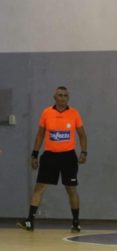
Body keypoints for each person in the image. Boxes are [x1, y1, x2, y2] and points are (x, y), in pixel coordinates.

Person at [17, 86, 87, 232]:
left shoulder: (74, 114)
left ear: (68, 98)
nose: (62, 98)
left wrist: (83, 152)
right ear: (54, 97)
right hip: (50, 156)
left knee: (71, 189)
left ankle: (76, 222)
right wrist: (35, 154)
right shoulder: (46, 113)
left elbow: (82, 134)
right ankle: (29, 221)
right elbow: (40, 135)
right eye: (60, 95)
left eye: (65, 96)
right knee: (39, 187)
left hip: (68, 156)